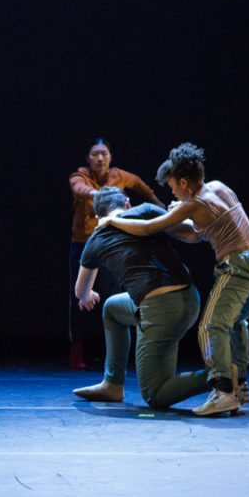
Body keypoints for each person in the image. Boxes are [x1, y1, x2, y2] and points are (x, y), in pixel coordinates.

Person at [98, 143, 249, 416]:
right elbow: (195, 233)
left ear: (183, 181)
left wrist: (113, 221)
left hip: (238, 266)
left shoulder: (194, 203)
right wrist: (179, 211)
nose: (173, 192)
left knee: (210, 325)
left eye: (173, 187)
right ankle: (240, 385)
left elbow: (147, 228)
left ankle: (223, 390)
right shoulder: (219, 187)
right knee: (235, 322)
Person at [72, 187, 209, 408]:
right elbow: (192, 234)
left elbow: (80, 292)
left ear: (98, 217)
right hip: (190, 299)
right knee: (113, 308)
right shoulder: (146, 210)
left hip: (161, 310)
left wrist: (89, 295)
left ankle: (221, 375)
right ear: (127, 203)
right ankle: (112, 384)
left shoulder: (96, 239)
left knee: (154, 395)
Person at [69, 138, 164, 370]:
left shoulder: (120, 175)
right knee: (79, 299)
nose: (100, 158)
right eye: (95, 154)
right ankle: (76, 349)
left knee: (114, 296)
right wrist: (103, 197)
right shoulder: (79, 176)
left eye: (104, 153)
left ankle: (115, 352)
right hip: (84, 244)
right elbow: (80, 191)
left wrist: (163, 208)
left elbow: (144, 188)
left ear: (110, 156)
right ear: (87, 158)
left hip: (112, 243)